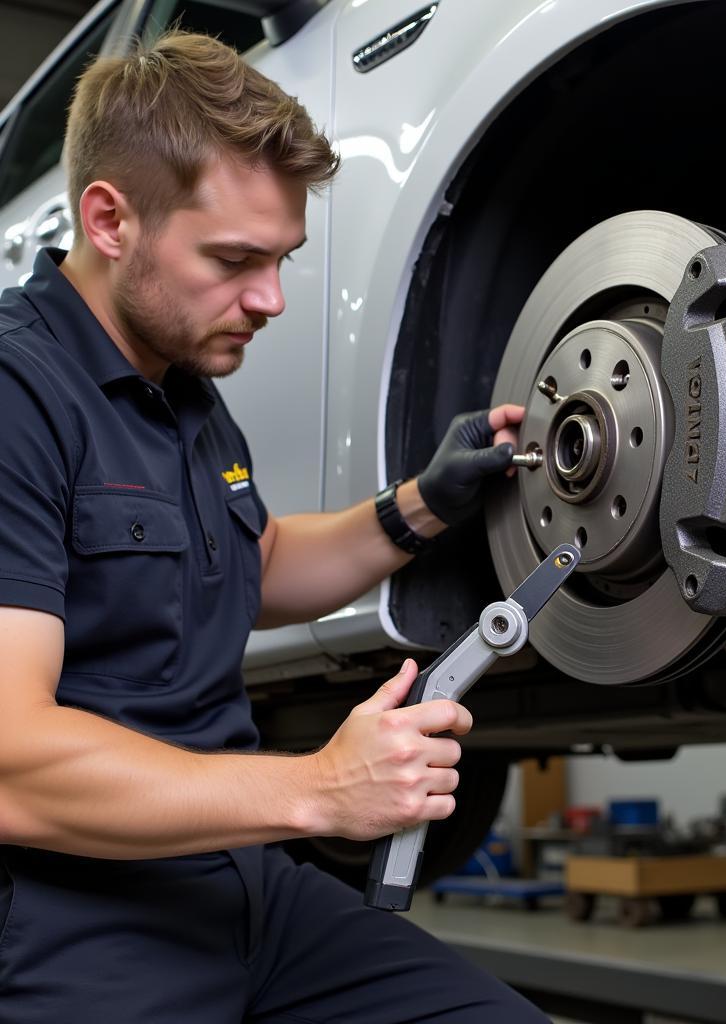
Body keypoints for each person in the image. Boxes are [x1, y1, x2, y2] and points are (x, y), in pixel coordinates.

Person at [0, 30, 549, 1023]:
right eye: (235, 260)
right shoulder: (17, 397)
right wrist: (319, 788)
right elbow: (12, 761)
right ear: (109, 219)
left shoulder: (184, 382)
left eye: (283, 259)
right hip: (74, 906)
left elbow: (252, 566)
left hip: (247, 887)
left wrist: (424, 501)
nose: (270, 300)